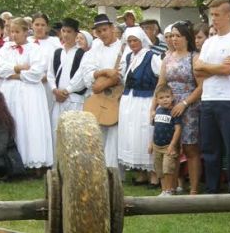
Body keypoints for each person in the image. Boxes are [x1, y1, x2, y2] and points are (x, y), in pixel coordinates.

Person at [194, 0, 230, 193]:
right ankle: (212, 189)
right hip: (208, 99)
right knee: (209, 148)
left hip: (229, 100)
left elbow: (228, 71)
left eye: (217, 15)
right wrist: (217, 67)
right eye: (211, 15)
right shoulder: (209, 42)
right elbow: (197, 70)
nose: (213, 19)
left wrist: (207, 67)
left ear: (228, 15)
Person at [0, 17, 53, 171]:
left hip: (30, 93)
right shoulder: (6, 48)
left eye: (17, 32)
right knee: (13, 121)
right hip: (10, 91)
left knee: (30, 123)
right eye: (12, 32)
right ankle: (12, 161)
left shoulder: (35, 49)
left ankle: (34, 161)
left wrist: (13, 73)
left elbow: (36, 73)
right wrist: (19, 68)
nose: (13, 35)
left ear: (26, 32)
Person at [153, 21, 203, 195]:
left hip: (189, 107)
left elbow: (201, 86)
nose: (174, 39)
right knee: (170, 147)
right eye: (172, 35)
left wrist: (184, 103)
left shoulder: (194, 57)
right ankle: (170, 187)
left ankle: (194, 190)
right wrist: (153, 108)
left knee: (190, 147)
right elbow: (161, 84)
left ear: (186, 38)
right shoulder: (167, 58)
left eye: (177, 36)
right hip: (168, 106)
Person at [117, 26, 161, 181]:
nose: (132, 43)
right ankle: (140, 172)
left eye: (135, 40)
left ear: (142, 40)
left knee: (145, 133)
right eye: (129, 41)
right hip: (129, 100)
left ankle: (153, 174)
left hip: (145, 100)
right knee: (132, 135)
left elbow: (161, 77)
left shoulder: (151, 56)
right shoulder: (129, 57)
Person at [81, 13, 123, 170]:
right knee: (95, 131)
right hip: (97, 95)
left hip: (115, 96)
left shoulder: (122, 48)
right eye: (98, 31)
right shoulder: (95, 48)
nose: (102, 34)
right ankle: (95, 168)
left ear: (112, 28)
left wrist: (104, 83)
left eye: (105, 30)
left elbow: (121, 74)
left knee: (113, 131)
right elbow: (87, 72)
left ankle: (112, 169)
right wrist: (104, 72)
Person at [48, 17, 87, 148]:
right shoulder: (57, 52)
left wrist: (67, 91)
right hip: (58, 99)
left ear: (76, 34)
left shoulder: (82, 54)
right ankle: (57, 165)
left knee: (73, 135)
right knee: (56, 133)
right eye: (63, 31)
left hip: (74, 99)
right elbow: (50, 74)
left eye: (69, 31)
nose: (65, 34)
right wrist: (54, 90)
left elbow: (80, 76)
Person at [149, 85, 182, 196]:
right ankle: (163, 190)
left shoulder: (174, 111)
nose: (165, 99)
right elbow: (155, 129)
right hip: (157, 146)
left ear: (172, 97)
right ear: (157, 100)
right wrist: (151, 144)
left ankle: (169, 189)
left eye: (167, 96)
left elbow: (178, 129)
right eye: (161, 98)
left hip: (168, 146)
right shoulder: (157, 112)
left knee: (168, 168)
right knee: (159, 170)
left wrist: (172, 145)